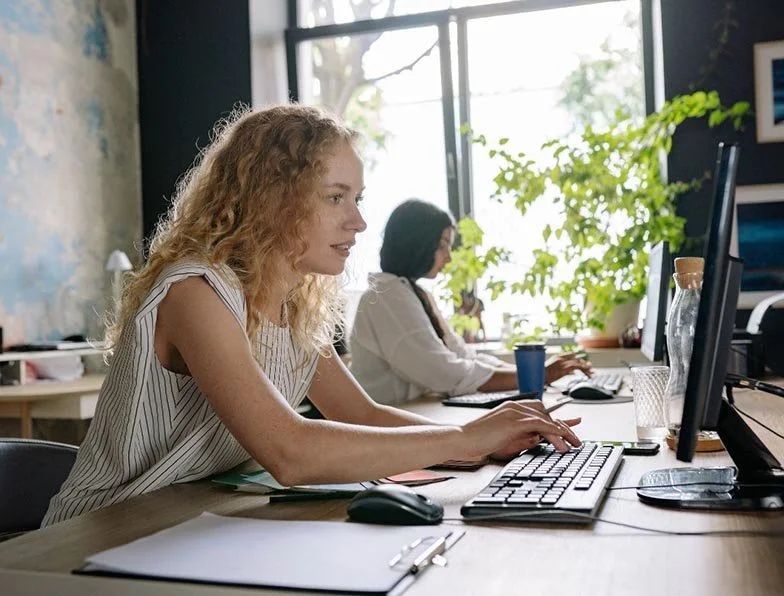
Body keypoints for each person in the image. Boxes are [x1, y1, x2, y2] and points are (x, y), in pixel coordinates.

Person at [42, 105, 580, 526]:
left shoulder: (295, 303)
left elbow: (363, 416)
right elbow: (290, 451)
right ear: (272, 198)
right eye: (335, 198)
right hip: (100, 532)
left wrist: (480, 438)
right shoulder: (196, 293)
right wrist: (465, 441)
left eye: (358, 197)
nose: (359, 222)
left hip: (187, 519)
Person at [350, 199, 592, 406]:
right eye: (443, 244)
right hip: (393, 425)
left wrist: (537, 374)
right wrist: (537, 376)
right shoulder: (386, 296)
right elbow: (444, 372)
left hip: (416, 412)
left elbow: (462, 354)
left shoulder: (412, 293)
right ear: (418, 242)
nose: (449, 256)